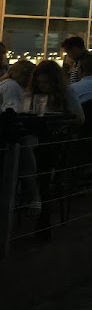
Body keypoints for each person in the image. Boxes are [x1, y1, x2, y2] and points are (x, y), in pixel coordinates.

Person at [0, 60, 40, 214]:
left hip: (5, 134)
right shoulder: (12, 87)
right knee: (26, 147)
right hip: (7, 136)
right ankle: (32, 192)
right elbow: (11, 112)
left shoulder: (8, 84)